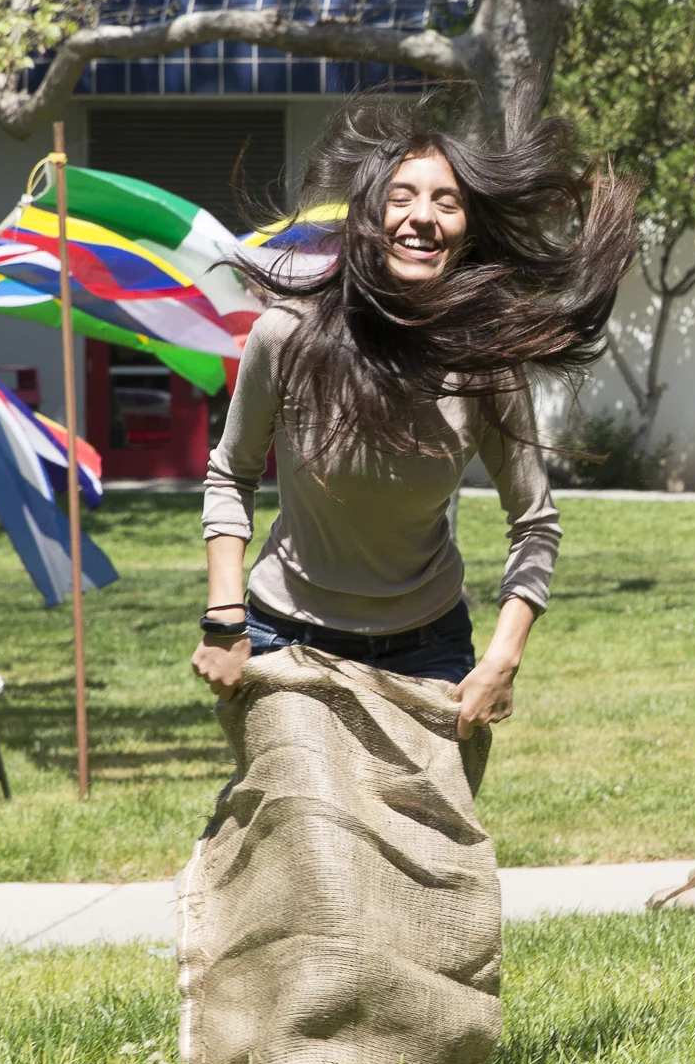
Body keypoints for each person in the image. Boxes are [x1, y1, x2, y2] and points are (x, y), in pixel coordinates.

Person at [191, 84, 637, 782]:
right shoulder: (288, 335)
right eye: (402, 197)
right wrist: (224, 616)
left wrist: (503, 656)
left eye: (446, 201)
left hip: (428, 652)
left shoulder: (486, 366)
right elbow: (232, 472)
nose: (421, 217)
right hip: (290, 638)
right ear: (367, 215)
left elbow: (535, 521)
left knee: (423, 872)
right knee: (313, 859)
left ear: (466, 231)